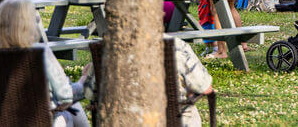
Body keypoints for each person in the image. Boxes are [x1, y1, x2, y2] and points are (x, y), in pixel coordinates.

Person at [0, 0, 89, 126]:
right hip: (42, 122)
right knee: (67, 114)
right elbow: (65, 97)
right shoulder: (40, 52)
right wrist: (83, 80)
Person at [81, 35, 213, 127]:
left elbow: (90, 94)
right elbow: (206, 88)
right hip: (174, 121)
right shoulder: (176, 45)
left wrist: (85, 75)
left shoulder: (108, 48)